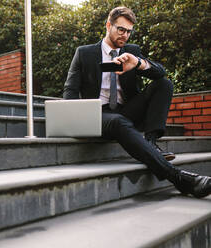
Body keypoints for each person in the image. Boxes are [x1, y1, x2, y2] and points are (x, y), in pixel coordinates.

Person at [63, 6, 211, 198]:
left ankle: (150, 141)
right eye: (121, 29)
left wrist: (138, 63)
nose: (125, 35)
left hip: (127, 111)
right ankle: (180, 179)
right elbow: (70, 91)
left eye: (129, 32)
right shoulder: (84, 53)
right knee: (117, 121)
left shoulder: (132, 51)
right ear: (108, 25)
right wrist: (78, 118)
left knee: (164, 84)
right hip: (98, 115)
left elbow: (160, 73)